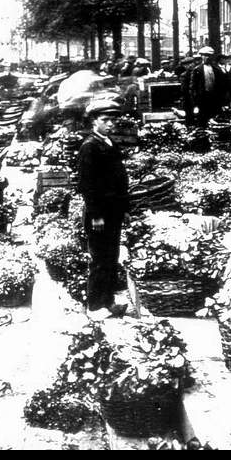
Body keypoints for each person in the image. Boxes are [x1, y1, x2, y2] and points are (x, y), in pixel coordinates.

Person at [75, 98, 131, 321]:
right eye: (105, 120)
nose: (110, 124)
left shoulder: (108, 143)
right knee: (99, 260)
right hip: (100, 214)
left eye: (113, 120)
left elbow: (119, 179)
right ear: (93, 122)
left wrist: (125, 208)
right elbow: (87, 185)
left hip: (114, 210)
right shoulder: (90, 147)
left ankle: (107, 301)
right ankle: (95, 306)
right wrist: (96, 214)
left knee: (111, 257)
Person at [184, 46, 230, 127]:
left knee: (215, 120)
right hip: (202, 99)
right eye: (205, 55)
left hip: (214, 99)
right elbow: (192, 87)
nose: (207, 57)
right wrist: (195, 102)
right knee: (202, 121)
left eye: (209, 55)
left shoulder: (217, 69)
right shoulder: (196, 70)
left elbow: (222, 87)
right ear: (201, 56)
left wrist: (223, 100)